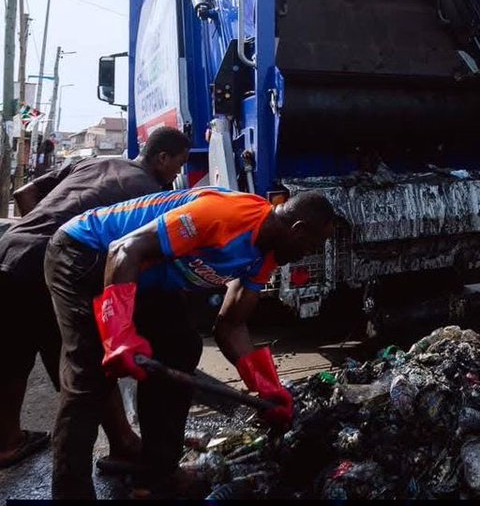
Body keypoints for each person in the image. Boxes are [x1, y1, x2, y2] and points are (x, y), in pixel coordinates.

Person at [45, 187, 337, 498]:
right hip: (86, 252)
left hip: (144, 274)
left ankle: (159, 472)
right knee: (89, 374)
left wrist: (267, 386)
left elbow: (232, 324)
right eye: (312, 244)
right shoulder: (225, 215)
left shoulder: (264, 257)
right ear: (298, 229)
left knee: (181, 347)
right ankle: (70, 492)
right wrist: (118, 334)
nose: (309, 253)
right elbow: (124, 249)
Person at [0, 127, 191, 471]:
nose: (177, 173)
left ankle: (7, 441)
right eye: (178, 165)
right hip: (51, 267)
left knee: (13, 354)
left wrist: (37, 236)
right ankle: (122, 444)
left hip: (9, 250)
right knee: (86, 365)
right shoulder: (147, 193)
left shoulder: (94, 163)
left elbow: (24, 192)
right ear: (162, 158)